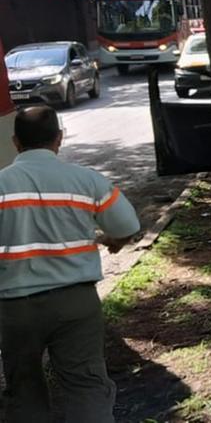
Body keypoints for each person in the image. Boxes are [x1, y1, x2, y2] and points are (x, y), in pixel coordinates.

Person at [0, 106, 140, 423]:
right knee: (86, 385)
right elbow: (127, 226)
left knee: (23, 390)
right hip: (75, 304)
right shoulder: (85, 180)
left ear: (15, 142)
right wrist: (114, 242)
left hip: (15, 306)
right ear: (59, 139)